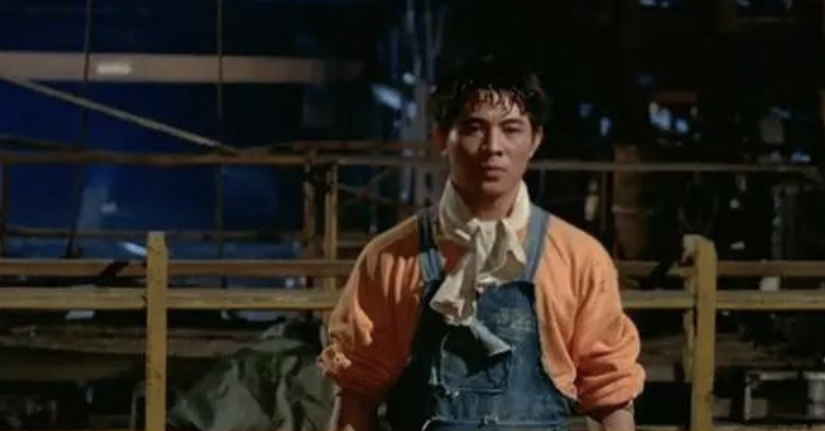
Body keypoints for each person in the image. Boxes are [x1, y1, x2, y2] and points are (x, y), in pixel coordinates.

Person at [318, 56, 645, 431]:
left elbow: (610, 391)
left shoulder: (578, 259)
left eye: (511, 129)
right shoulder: (391, 259)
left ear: (535, 140)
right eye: (474, 128)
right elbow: (357, 394)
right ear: (441, 137)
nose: (493, 146)